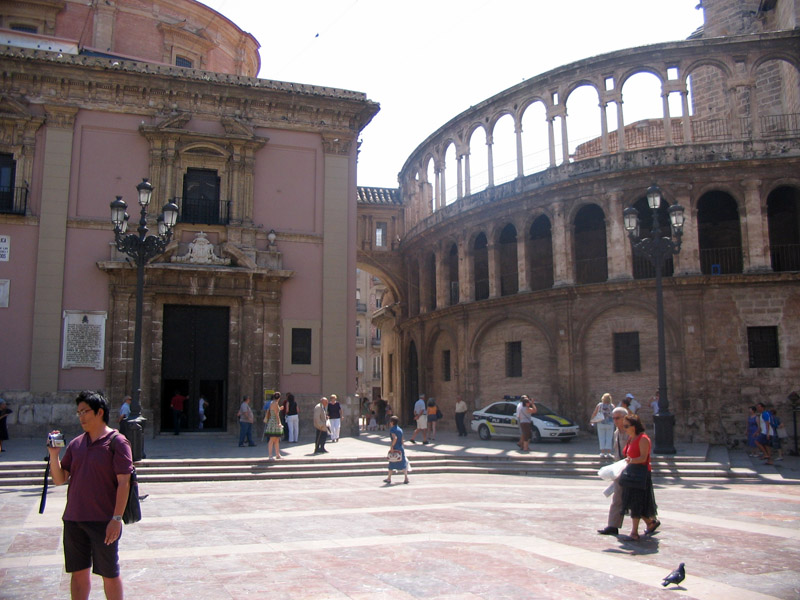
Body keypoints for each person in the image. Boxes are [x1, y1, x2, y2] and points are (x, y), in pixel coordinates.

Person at [47, 391, 133, 600]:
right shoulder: (76, 443)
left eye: (85, 411)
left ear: (99, 412)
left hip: (103, 520)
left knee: (109, 573)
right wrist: (54, 455)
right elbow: (60, 479)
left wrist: (116, 519)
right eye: (78, 413)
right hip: (74, 519)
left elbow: (124, 483)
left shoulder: (117, 442)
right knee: (78, 573)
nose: (81, 417)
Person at [620, 414, 660, 541]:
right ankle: (650, 523)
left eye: (626, 426)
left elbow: (643, 458)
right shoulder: (631, 438)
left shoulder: (643, 439)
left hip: (640, 474)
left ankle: (634, 532)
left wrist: (631, 460)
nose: (624, 428)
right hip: (631, 474)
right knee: (633, 502)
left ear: (634, 426)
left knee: (637, 502)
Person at [597, 406, 630, 536]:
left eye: (617, 418)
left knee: (634, 498)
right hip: (620, 469)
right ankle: (612, 525)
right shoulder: (616, 432)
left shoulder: (630, 433)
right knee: (617, 498)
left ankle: (651, 521)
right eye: (613, 418)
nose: (615, 421)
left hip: (630, 468)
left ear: (625, 418)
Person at [384, 415, 409, 484]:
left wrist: (392, 446)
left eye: (390, 422)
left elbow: (395, 438)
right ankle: (406, 478)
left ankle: (389, 478)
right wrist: (403, 446)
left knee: (392, 461)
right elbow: (402, 439)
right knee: (403, 462)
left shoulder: (393, 429)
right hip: (400, 447)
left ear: (392, 422)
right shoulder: (400, 429)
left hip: (395, 447)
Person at [591, 393, 615, 459]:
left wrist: (592, 420)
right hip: (610, 423)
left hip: (601, 423)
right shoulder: (612, 406)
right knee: (609, 437)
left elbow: (594, 413)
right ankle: (608, 453)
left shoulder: (599, 405)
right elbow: (614, 414)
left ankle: (602, 452)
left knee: (601, 437)